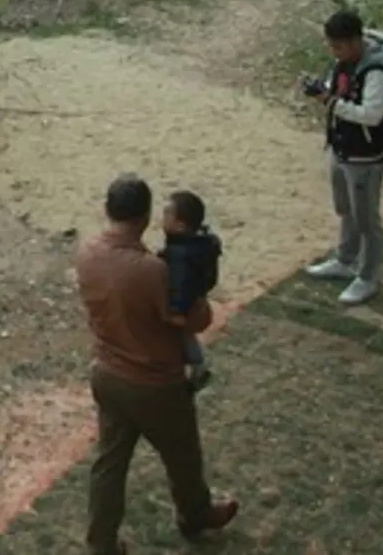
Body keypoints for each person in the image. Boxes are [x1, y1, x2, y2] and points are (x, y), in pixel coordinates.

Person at [74, 173, 240, 551]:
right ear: (145, 218)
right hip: (154, 383)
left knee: (109, 465)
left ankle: (101, 542)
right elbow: (194, 319)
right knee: (182, 455)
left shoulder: (87, 252)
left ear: (108, 209)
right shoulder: (152, 270)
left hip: (107, 373)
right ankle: (195, 513)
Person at [304, 8, 383, 306]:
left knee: (367, 221)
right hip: (342, 150)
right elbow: (340, 92)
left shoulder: (377, 72)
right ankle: (345, 260)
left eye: (339, 46)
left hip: (365, 158)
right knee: (346, 210)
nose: (334, 52)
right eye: (331, 46)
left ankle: (367, 277)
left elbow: (372, 115)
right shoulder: (344, 63)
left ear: (356, 41)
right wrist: (322, 90)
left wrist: (331, 102)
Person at [158, 189, 223, 392]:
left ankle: (193, 368)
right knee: (186, 337)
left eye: (167, 213)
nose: (162, 217)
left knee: (180, 336)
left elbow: (179, 282)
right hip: (194, 301)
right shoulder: (200, 245)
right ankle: (197, 366)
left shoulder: (181, 254)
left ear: (180, 225)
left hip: (182, 309)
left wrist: (176, 311)